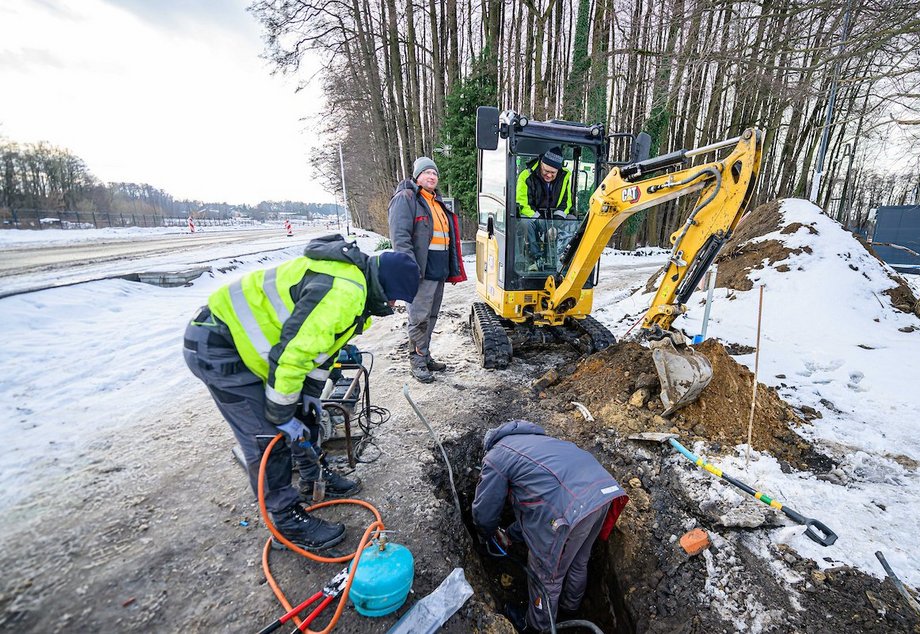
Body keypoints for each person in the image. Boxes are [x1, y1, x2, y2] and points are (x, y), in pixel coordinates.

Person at [183, 234, 419, 552]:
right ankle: (286, 523)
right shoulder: (345, 292)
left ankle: (312, 477)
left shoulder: (355, 284)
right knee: (268, 438)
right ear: (386, 287)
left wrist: (308, 397)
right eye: (394, 300)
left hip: (249, 348)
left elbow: (318, 353)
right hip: (220, 346)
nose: (392, 306)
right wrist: (281, 414)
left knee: (299, 417)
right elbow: (293, 356)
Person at [471, 421, 628, 632]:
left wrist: (487, 534)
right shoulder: (540, 442)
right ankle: (570, 608)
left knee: (547, 576)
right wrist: (510, 534)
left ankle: (538, 627)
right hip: (602, 495)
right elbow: (538, 511)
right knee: (579, 560)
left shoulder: (497, 456)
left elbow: (485, 513)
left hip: (570, 511)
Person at [388, 156, 467, 384]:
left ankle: (425, 354)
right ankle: (417, 361)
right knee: (419, 318)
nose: (432, 177)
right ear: (417, 176)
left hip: (437, 270)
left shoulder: (435, 202)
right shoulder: (407, 199)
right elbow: (400, 238)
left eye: (435, 174)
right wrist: (409, 268)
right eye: (427, 173)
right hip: (419, 272)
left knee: (431, 317)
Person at [516, 147, 574, 271]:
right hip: (534, 216)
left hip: (554, 218)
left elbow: (565, 203)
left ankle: (566, 261)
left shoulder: (564, 178)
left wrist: (555, 225)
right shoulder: (526, 176)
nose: (549, 175)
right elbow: (523, 204)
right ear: (541, 163)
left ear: (559, 170)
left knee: (572, 220)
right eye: (546, 171)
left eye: (553, 173)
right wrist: (543, 223)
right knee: (526, 222)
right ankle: (536, 260)